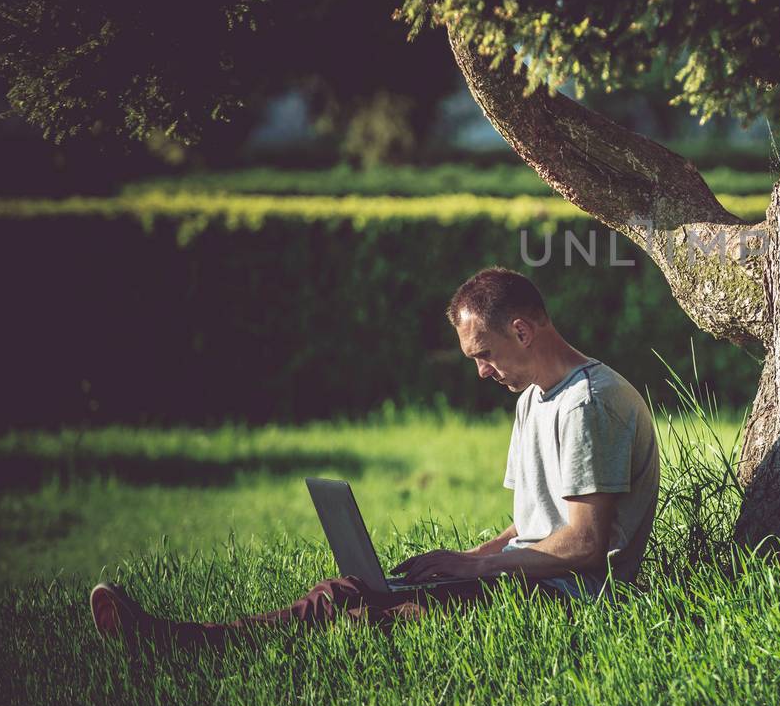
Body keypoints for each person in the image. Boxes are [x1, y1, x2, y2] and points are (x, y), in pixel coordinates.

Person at [89, 267, 661, 648]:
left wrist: (478, 568)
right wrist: (463, 556)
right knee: (351, 590)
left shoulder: (591, 404)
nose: (482, 371)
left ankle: (192, 643)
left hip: (566, 599)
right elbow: (535, 523)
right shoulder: (534, 398)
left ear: (521, 329)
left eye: (484, 354)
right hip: (520, 578)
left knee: (377, 614)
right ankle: (185, 637)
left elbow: (585, 543)